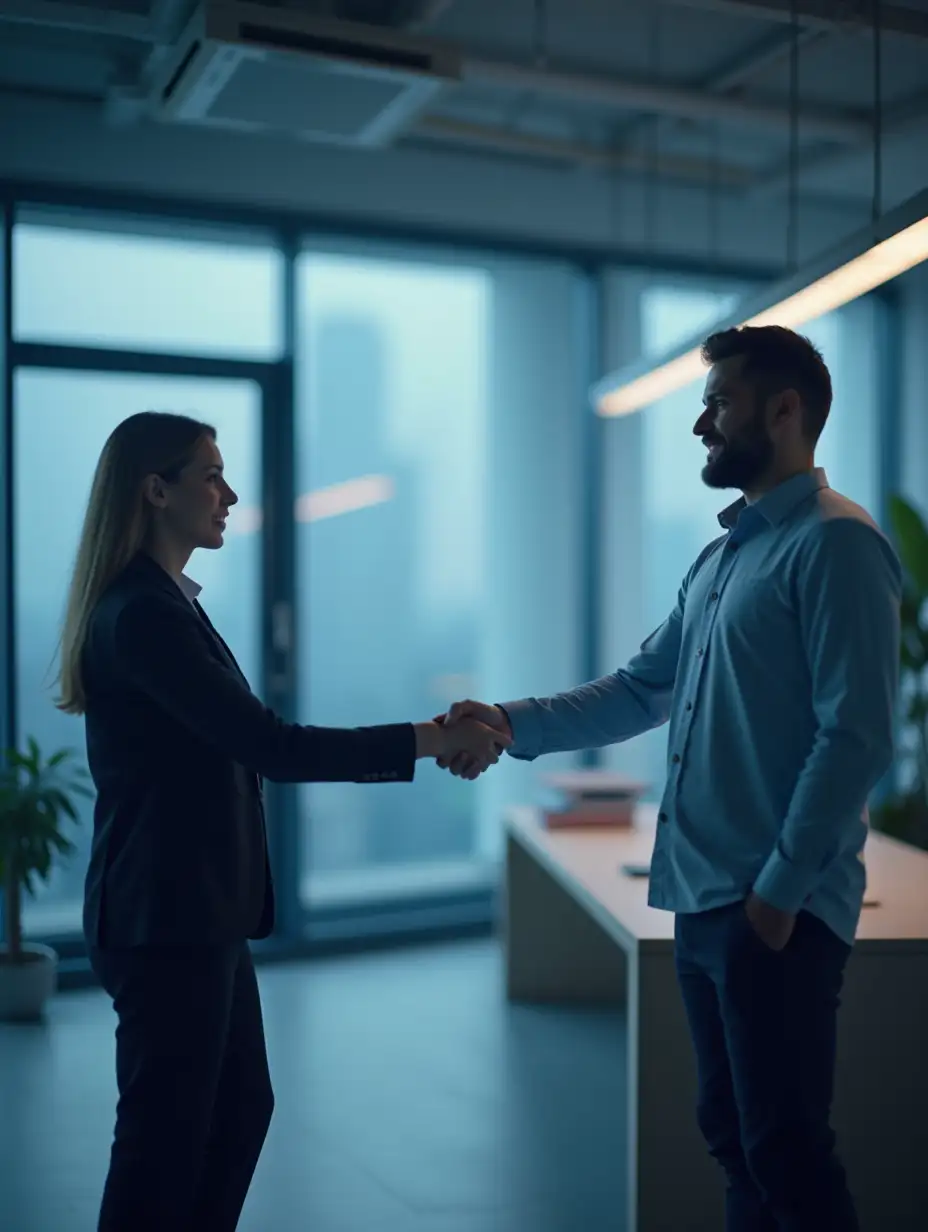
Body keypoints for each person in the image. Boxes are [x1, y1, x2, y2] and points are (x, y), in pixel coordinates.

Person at [439, 325, 901, 1232]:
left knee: (787, 1152)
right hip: (701, 896)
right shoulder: (724, 557)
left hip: (773, 909)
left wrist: (777, 892)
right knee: (732, 1137)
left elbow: (856, 735)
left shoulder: (837, 546)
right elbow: (640, 689)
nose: (700, 425)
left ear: (784, 409)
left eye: (717, 401)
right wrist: (507, 723)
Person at [55, 410, 507, 1232]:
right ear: (156, 491)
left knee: (232, 1116)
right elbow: (269, 744)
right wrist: (434, 740)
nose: (230, 494)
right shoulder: (146, 615)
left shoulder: (162, 604)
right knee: (167, 1144)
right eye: (210, 476)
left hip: (196, 913)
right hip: (168, 920)